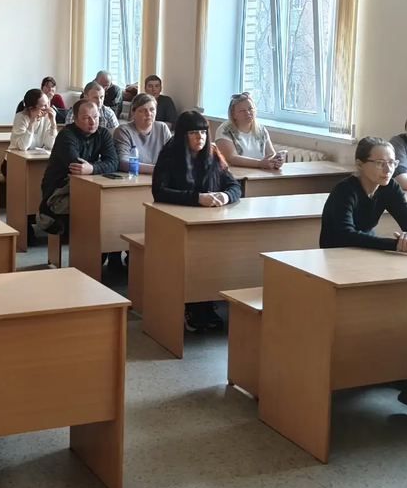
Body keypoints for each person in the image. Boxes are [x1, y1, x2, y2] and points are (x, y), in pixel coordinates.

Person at [319, 136, 407, 415]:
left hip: (368, 258)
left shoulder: (389, 187)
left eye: (392, 163)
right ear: (360, 165)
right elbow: (345, 235)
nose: (388, 169)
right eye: (381, 163)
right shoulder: (345, 190)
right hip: (336, 262)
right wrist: (396, 245)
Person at [152, 110, 242, 332]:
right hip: (175, 224)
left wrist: (226, 196)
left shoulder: (213, 153)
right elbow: (159, 191)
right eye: (193, 133)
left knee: (216, 256)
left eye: (203, 132)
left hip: (209, 224)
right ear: (183, 134)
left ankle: (206, 302)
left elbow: (234, 186)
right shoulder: (170, 154)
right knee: (193, 257)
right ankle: (192, 306)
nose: (199, 137)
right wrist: (196, 198)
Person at [38, 99, 118, 238]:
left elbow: (113, 162)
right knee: (97, 205)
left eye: (95, 117)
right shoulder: (66, 135)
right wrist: (96, 167)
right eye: (86, 118)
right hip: (60, 188)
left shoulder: (103, 133)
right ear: (75, 119)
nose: (92, 122)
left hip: (88, 184)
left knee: (112, 203)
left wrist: (92, 168)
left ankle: (107, 244)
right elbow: (77, 166)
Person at [215, 92, 283, 170]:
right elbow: (231, 158)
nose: (247, 113)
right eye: (242, 111)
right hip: (236, 174)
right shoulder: (224, 130)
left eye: (250, 109)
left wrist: (276, 161)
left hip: (260, 174)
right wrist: (260, 163)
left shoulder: (261, 130)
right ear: (233, 114)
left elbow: (271, 154)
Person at [114, 93, 172, 175]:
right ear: (133, 113)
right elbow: (123, 163)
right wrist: (158, 169)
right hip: (133, 178)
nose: (148, 114)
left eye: (152, 109)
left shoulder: (162, 128)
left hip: (159, 178)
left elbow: (174, 157)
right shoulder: (123, 131)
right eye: (142, 111)